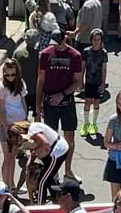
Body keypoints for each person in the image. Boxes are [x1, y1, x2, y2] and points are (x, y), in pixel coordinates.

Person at [36, 29, 84, 180]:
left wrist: (63, 94)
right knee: (50, 139)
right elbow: (41, 80)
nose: (56, 46)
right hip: (49, 103)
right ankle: (53, 170)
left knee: (69, 139)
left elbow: (78, 81)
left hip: (67, 103)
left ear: (65, 39)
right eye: (54, 43)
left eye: (59, 42)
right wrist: (38, 104)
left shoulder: (75, 56)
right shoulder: (45, 54)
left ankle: (68, 171)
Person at [0, 59, 31, 187]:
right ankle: (6, 186)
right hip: (7, 126)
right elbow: (0, 109)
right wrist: (5, 127)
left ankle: (12, 186)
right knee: (8, 157)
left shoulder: (20, 84)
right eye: (7, 74)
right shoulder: (0, 87)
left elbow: (23, 102)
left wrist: (26, 119)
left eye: (13, 74)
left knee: (14, 155)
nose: (10, 77)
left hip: (19, 125)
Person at [23, 121, 70, 204]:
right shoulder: (33, 127)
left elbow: (46, 144)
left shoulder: (32, 132)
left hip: (56, 152)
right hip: (55, 148)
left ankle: (40, 208)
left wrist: (36, 151)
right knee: (49, 178)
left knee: (42, 182)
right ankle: (57, 201)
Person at [81, 29, 109, 136]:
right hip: (89, 80)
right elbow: (83, 66)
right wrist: (81, 81)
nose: (96, 41)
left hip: (98, 81)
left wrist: (103, 83)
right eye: (94, 39)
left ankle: (94, 123)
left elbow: (104, 68)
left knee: (96, 102)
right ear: (91, 40)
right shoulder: (86, 51)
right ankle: (86, 123)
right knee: (87, 101)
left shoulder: (103, 53)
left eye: (98, 39)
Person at [14, 29, 44, 114]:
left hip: (22, 89)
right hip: (36, 90)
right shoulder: (40, 55)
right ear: (37, 40)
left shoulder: (17, 54)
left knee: (23, 114)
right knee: (37, 113)